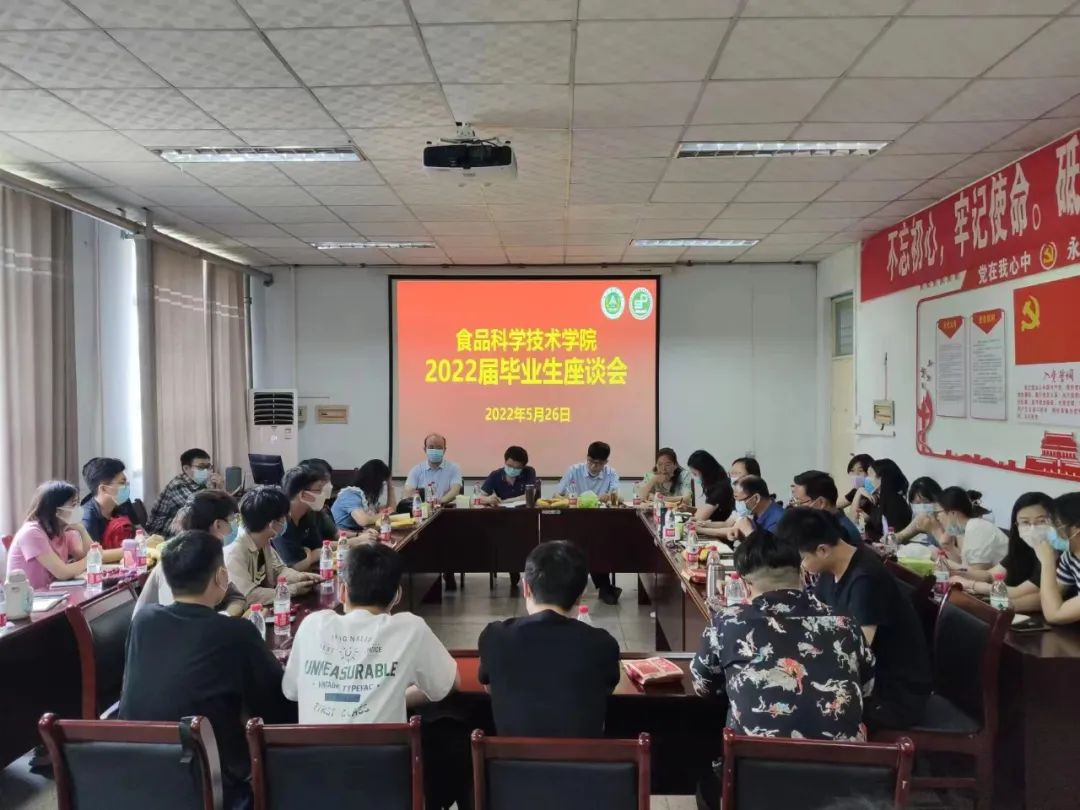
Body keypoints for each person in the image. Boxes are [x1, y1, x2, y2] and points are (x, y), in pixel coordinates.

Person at [691, 529, 875, 806]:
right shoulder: (844, 623)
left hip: (760, 782)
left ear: (744, 584)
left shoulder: (728, 623)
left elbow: (702, 685)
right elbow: (867, 688)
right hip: (844, 784)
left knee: (707, 782)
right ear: (801, 573)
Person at [119, 531, 293, 810]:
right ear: (221, 577)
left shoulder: (143, 621)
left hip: (136, 773)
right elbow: (278, 711)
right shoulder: (236, 633)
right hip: (210, 782)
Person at [790, 508, 932, 731]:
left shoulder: (866, 580)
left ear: (823, 550)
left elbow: (856, 654)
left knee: (794, 708)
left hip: (892, 695)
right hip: (865, 681)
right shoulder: (830, 570)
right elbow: (814, 616)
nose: (802, 566)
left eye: (803, 559)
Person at [284, 542, 458, 722]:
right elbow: (449, 684)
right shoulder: (411, 629)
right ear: (397, 595)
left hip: (313, 741)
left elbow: (292, 691)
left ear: (342, 592)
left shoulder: (312, 624)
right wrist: (392, 699)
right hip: (386, 741)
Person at [479, 541, 620, 737]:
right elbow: (606, 690)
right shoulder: (603, 645)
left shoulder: (495, 638)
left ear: (526, 588)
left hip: (511, 758)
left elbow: (489, 687)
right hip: (583, 758)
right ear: (580, 596)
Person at [136, 490, 246, 616]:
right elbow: (180, 621)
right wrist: (221, 620)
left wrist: (227, 616)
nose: (236, 525)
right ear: (218, 525)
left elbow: (235, 597)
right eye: (233, 519)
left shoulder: (210, 556)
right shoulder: (177, 563)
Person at [949, 492, 1053, 613]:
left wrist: (972, 585)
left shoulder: (1054, 554)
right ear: (1016, 525)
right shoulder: (1023, 549)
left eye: (1041, 521)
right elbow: (990, 575)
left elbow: (1019, 592)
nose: (1032, 528)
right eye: (1025, 522)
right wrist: (955, 572)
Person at [225, 486, 321, 608]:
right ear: (272, 523)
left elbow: (279, 570)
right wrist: (293, 590)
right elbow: (249, 596)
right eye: (283, 518)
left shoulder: (263, 541)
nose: (285, 521)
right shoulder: (234, 553)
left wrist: (300, 578)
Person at [557, 441, 622, 603]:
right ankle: (571, 588)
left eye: (598, 463)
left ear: (605, 462)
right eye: (591, 461)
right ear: (587, 458)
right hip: (575, 521)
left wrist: (610, 496)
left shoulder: (611, 473)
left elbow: (618, 498)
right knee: (575, 549)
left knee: (600, 546)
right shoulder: (574, 470)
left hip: (600, 522)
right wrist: (573, 499)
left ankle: (604, 587)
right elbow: (557, 495)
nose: (593, 466)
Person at [7, 481, 90, 589]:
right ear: (55, 509)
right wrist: (91, 559)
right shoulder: (32, 532)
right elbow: (62, 572)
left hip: (54, 593)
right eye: (73, 505)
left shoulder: (65, 530)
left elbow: (86, 556)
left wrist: (82, 530)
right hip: (30, 597)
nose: (78, 509)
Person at [145, 448, 224, 536]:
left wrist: (219, 487)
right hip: (161, 534)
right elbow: (203, 510)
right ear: (186, 468)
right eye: (201, 467)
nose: (206, 470)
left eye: (208, 466)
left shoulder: (203, 482)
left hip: (185, 525)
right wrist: (218, 491)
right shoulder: (178, 485)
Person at [272, 465, 335, 572]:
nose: (324, 495)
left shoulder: (308, 514)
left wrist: (309, 554)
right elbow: (297, 566)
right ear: (303, 495)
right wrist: (311, 554)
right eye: (319, 489)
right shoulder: (280, 521)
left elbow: (319, 547)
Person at [933, 487, 1007, 572]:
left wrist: (944, 562)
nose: (937, 518)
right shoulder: (965, 531)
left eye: (938, 513)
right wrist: (949, 547)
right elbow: (964, 567)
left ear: (953, 513)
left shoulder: (976, 529)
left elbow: (977, 574)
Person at [1037, 492, 1080, 625]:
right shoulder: (1071, 555)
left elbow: (1054, 615)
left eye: (1056, 524)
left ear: (1077, 530)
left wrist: (1047, 562)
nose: (1051, 530)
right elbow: (1050, 598)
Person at [792, 471, 862, 546]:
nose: (797, 508)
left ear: (821, 502)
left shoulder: (839, 535)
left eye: (800, 502)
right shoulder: (824, 524)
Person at [857, 459, 912, 544]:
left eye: (870, 475)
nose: (867, 479)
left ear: (882, 478)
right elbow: (857, 520)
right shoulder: (878, 499)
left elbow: (893, 538)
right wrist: (858, 492)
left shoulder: (895, 503)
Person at [332, 459, 395, 531]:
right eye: (382, 482)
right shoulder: (350, 494)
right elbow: (363, 521)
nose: (382, 486)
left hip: (357, 532)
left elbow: (391, 509)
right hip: (343, 535)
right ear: (374, 481)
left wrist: (390, 486)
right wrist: (384, 515)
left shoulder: (366, 496)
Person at [402, 433, 463, 507]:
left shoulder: (453, 468)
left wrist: (439, 502)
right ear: (425, 449)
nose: (435, 450)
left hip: (446, 509)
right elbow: (408, 493)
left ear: (444, 450)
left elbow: (455, 491)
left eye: (439, 448)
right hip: (422, 510)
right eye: (431, 447)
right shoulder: (416, 470)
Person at [81, 456, 132, 544]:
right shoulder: (87, 518)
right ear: (104, 488)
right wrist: (133, 546)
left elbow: (139, 533)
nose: (126, 486)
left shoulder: (125, 503)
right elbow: (94, 551)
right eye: (122, 483)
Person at [688, 450, 735, 532]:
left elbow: (698, 519)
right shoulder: (721, 482)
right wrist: (688, 509)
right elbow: (706, 510)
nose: (695, 477)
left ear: (705, 471)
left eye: (695, 474)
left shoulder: (720, 489)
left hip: (719, 532)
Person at [893, 477, 946, 547]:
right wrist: (890, 539)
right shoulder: (920, 518)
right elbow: (901, 536)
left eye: (926, 502)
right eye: (917, 503)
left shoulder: (949, 518)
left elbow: (950, 548)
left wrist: (934, 529)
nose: (922, 506)